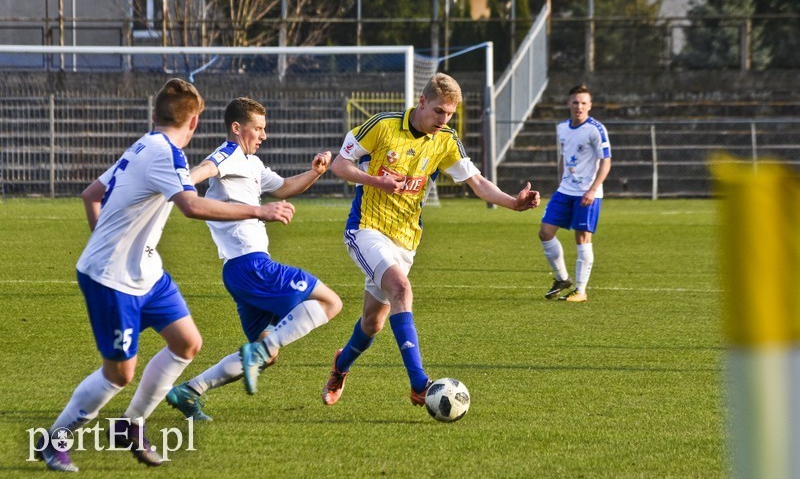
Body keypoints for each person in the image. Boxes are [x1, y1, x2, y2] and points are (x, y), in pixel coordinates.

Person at [36, 79, 296, 473]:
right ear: (192, 122)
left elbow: (91, 193)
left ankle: (130, 424)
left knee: (187, 342)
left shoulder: (143, 144)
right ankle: (54, 442)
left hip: (146, 269)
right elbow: (192, 207)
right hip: (111, 277)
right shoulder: (165, 155)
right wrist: (260, 211)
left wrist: (117, 240)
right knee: (119, 374)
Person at [305, 72, 540, 409]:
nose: (443, 121)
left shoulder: (445, 139)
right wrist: (377, 181)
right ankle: (420, 384)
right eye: (438, 112)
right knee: (401, 289)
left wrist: (513, 203)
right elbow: (341, 166)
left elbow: (477, 181)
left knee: (373, 323)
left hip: (406, 239)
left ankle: (340, 366)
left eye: (449, 115)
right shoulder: (383, 125)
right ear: (422, 102)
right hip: (366, 228)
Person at [165, 97, 342, 419]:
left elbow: (285, 187)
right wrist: (179, 182)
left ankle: (190, 391)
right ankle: (257, 352)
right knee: (331, 303)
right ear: (237, 128)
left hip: (240, 271)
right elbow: (200, 172)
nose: (263, 135)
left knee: (267, 351)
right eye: (257, 128)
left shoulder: (253, 164)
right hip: (251, 266)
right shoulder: (229, 154)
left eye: (264, 129)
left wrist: (315, 172)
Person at [539, 83, 612, 303]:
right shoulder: (561, 127)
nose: (579, 106)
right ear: (568, 104)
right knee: (545, 232)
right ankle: (562, 278)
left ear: (589, 106)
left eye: (583, 103)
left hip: (587, 193)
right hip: (565, 190)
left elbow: (606, 162)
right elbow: (563, 156)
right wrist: (560, 181)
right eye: (575, 102)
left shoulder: (596, 129)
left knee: (582, 238)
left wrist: (592, 190)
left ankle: (580, 290)